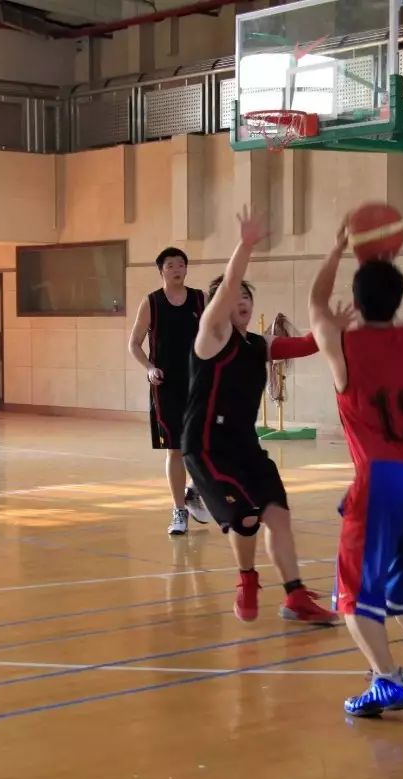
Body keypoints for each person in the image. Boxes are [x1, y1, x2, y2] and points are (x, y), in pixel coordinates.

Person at [309, 222, 403, 718]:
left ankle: (385, 680)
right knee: (397, 582)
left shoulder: (346, 347)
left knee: (351, 596)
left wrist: (336, 249)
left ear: (356, 300)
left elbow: (316, 306)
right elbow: (382, 306)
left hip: (381, 478)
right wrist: (381, 258)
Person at [182, 208, 339, 626]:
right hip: (207, 447)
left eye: (247, 298)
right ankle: (247, 579)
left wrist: (332, 327)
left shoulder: (259, 344)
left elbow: (307, 345)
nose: (242, 301)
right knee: (247, 517)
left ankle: (296, 597)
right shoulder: (212, 335)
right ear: (219, 305)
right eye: (235, 296)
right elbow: (229, 284)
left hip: (245, 447)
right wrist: (246, 244)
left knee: (278, 515)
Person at [127, 246, 213, 535]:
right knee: (175, 448)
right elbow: (134, 344)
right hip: (166, 386)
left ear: (186, 269)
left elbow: (216, 333)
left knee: (206, 445)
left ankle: (193, 490)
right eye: (170, 265)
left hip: (198, 382)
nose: (176, 269)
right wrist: (149, 367)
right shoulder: (152, 302)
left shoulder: (200, 299)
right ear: (161, 271)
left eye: (181, 264)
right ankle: (179, 510)